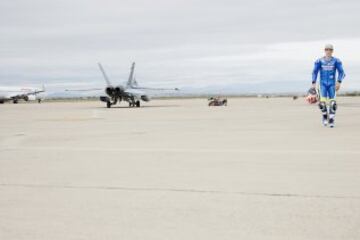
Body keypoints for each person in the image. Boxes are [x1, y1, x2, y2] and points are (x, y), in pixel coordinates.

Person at [312, 44, 345, 128]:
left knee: (333, 103)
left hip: (332, 84)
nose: (328, 51)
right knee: (322, 103)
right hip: (322, 84)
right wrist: (313, 83)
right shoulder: (319, 61)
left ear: (332, 51)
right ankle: (324, 116)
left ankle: (331, 119)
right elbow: (314, 72)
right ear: (324, 50)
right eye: (327, 49)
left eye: (330, 50)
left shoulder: (336, 61)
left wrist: (339, 82)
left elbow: (341, 72)